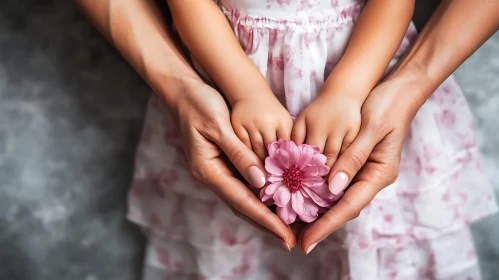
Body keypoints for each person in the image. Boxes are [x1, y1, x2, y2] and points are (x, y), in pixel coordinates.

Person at [74, 0, 499, 279]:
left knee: (379, 250)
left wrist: (348, 89)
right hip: (226, 85)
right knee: (233, 243)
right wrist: (243, 90)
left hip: (365, 81)